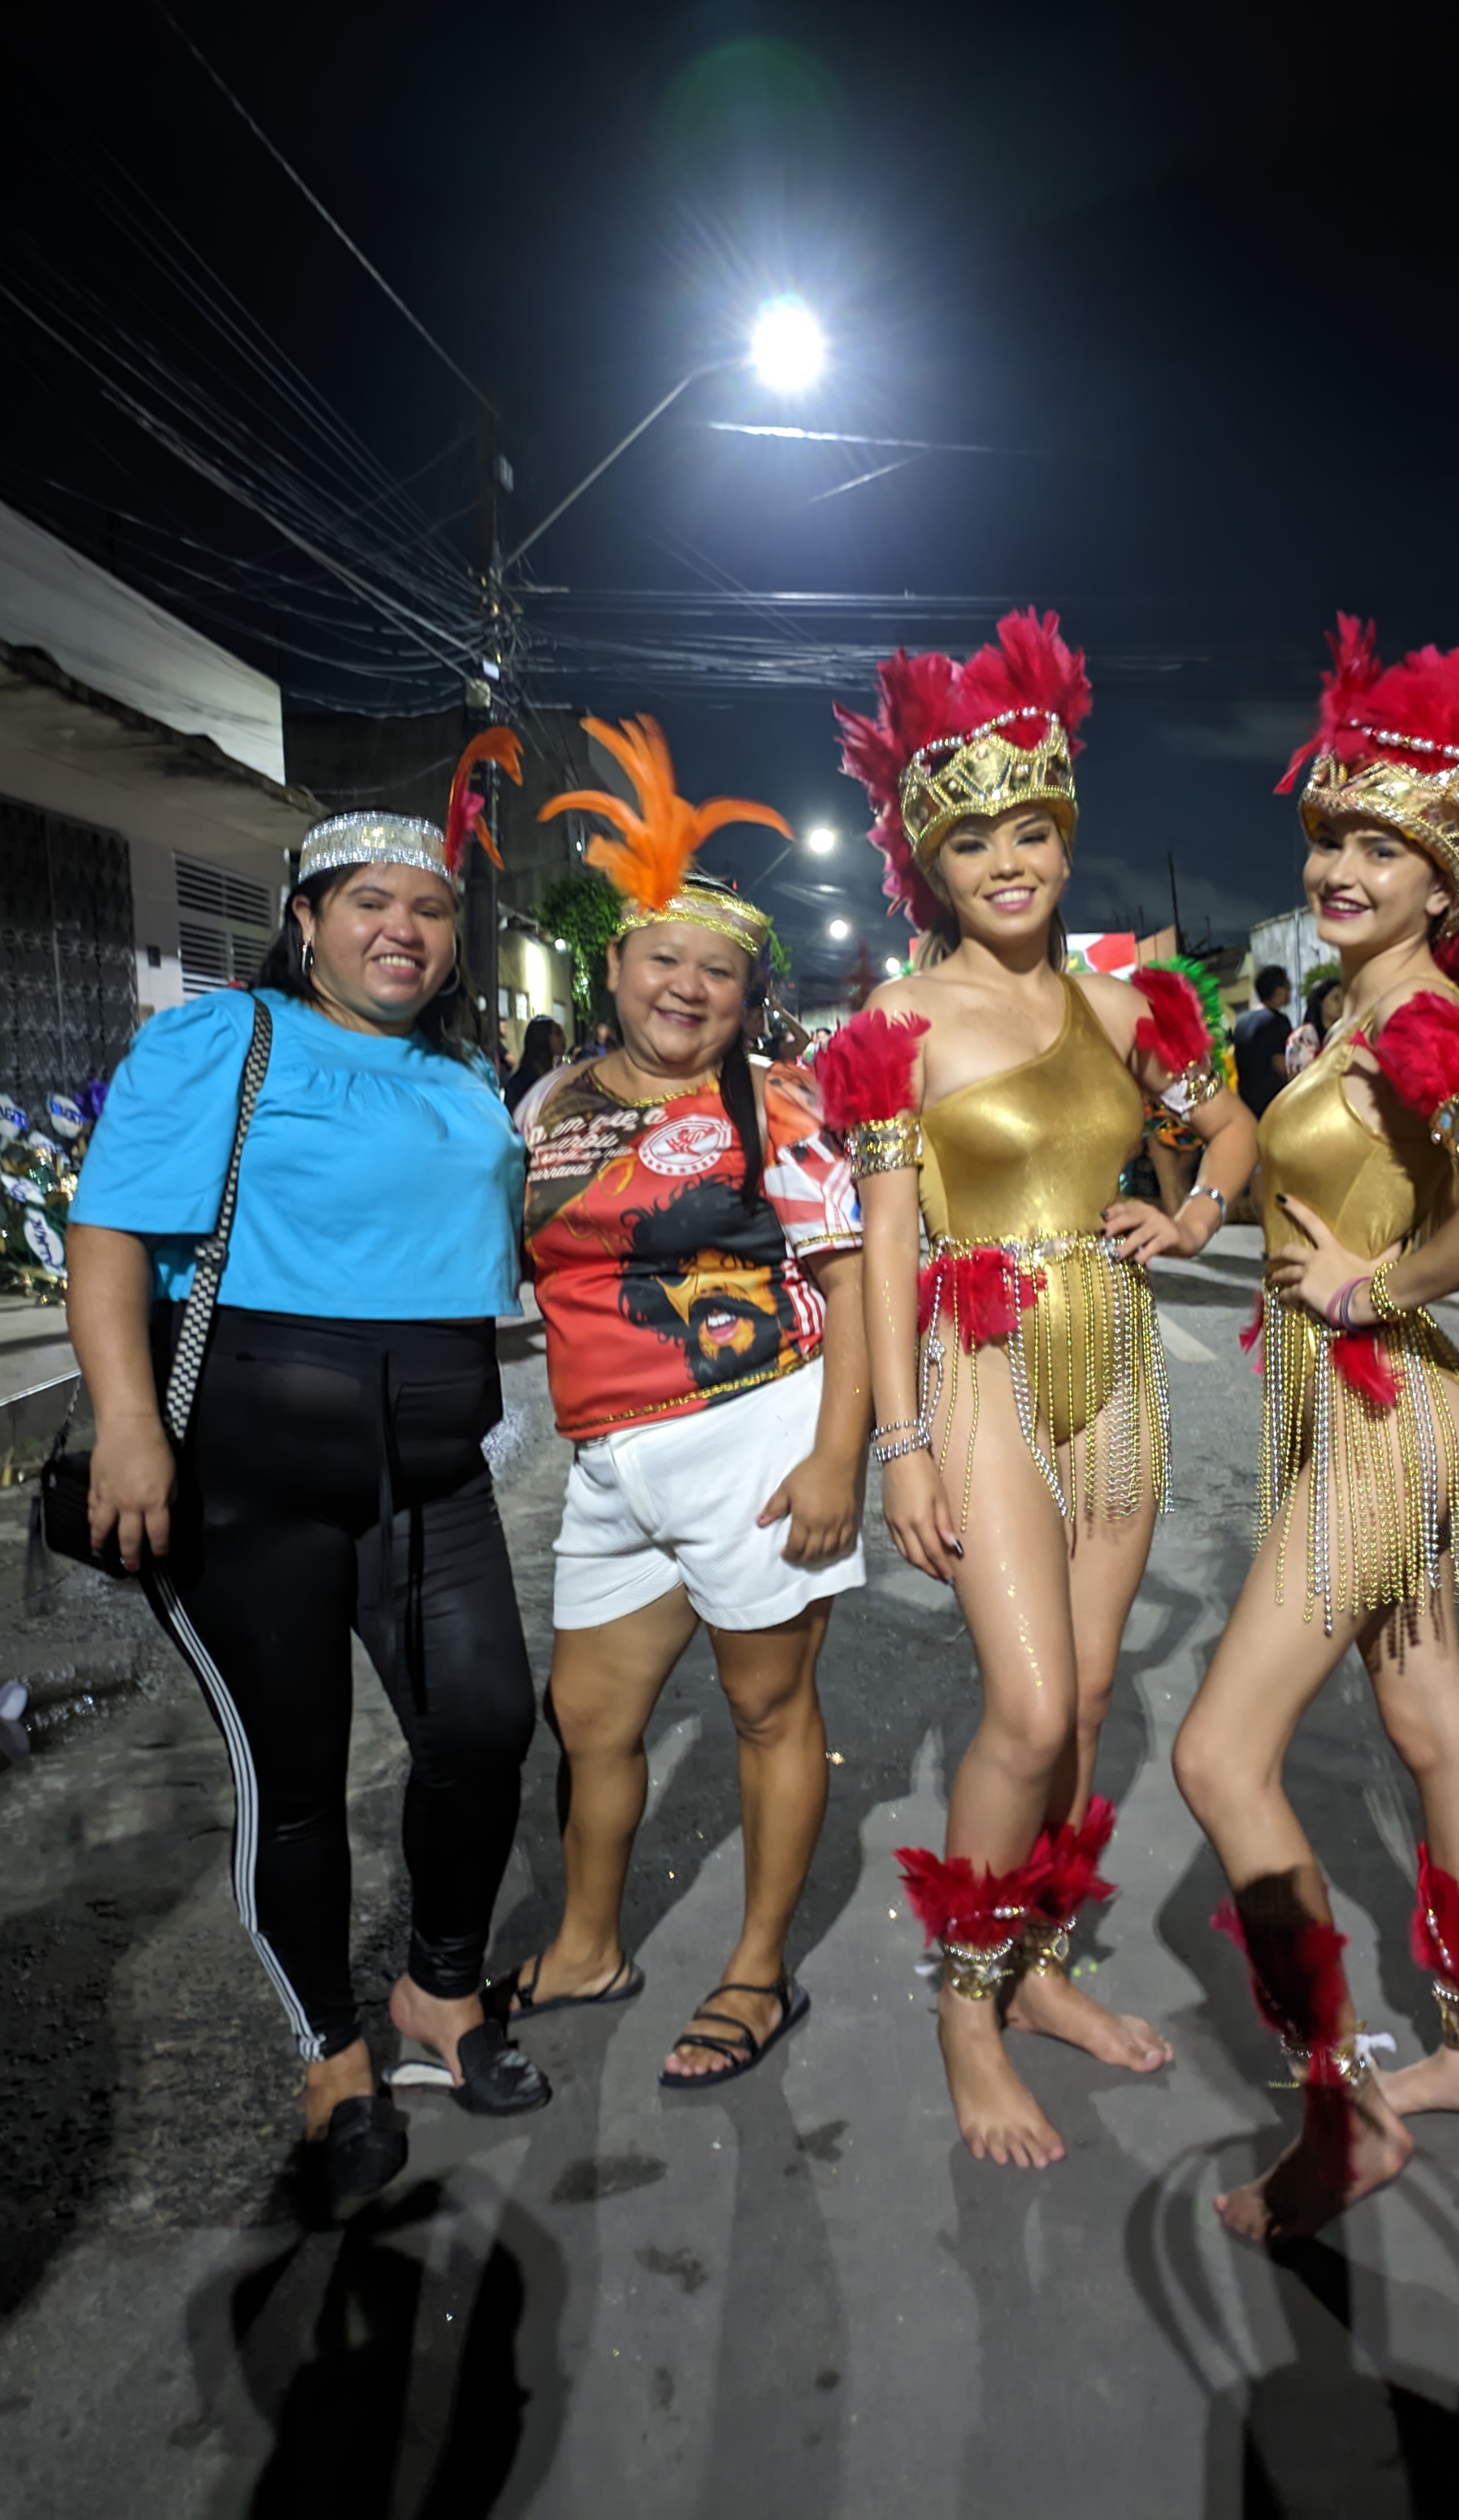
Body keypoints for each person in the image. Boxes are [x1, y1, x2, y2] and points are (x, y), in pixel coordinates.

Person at [66, 731, 550, 2214]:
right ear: (307, 920)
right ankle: (330, 2054)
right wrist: (130, 1424)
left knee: (484, 1723)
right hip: (246, 1480)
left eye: (429, 908)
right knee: (296, 1781)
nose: (403, 930)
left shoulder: (464, 1071)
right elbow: (108, 1235)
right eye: (369, 904)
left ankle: (438, 1991)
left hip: (432, 1475)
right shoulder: (223, 1041)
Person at [825, 611, 1256, 2165]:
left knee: (1083, 1698)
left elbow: (1229, 1130)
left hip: (1116, 1358)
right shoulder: (894, 1025)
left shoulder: (1132, 1007)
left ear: (1065, 837)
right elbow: (887, 1240)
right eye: (971, 843)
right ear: (927, 866)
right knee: (1020, 1703)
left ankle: (1042, 1962)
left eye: (1029, 832)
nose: (1006, 863)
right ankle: (966, 2004)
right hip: (984, 1362)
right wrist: (900, 1444)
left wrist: (1194, 1213)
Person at [1172, 620, 1459, 2242]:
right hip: (1378, 1403)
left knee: (1217, 1754)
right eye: (1329, 836)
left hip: (1386, 1405)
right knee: (1435, 1731)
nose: (1340, 866)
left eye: (1380, 848)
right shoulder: (1361, 1008)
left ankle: (1341, 2113)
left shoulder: (1416, 1019)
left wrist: (1376, 1282)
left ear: (1444, 875)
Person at [487, 717, 871, 2090]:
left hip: (754, 1433)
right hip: (606, 1459)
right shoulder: (550, 1102)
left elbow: (854, 1284)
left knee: (767, 1710)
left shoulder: (779, 1107)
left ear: (748, 995)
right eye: (664, 957)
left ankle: (757, 1973)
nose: (687, 986)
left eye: (718, 969)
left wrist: (837, 1458)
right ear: (613, 966)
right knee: (589, 1719)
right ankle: (587, 1945)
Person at [1233, 965, 1293, 1116]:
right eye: (1288, 986)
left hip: (1248, 1106)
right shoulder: (1278, 1021)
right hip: (1274, 1105)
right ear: (1279, 990)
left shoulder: (1242, 1024)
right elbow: (1282, 1064)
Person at [504, 1015, 567, 1115]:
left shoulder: (559, 1076)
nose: (564, 1039)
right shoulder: (519, 1084)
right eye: (558, 1034)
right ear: (542, 1037)